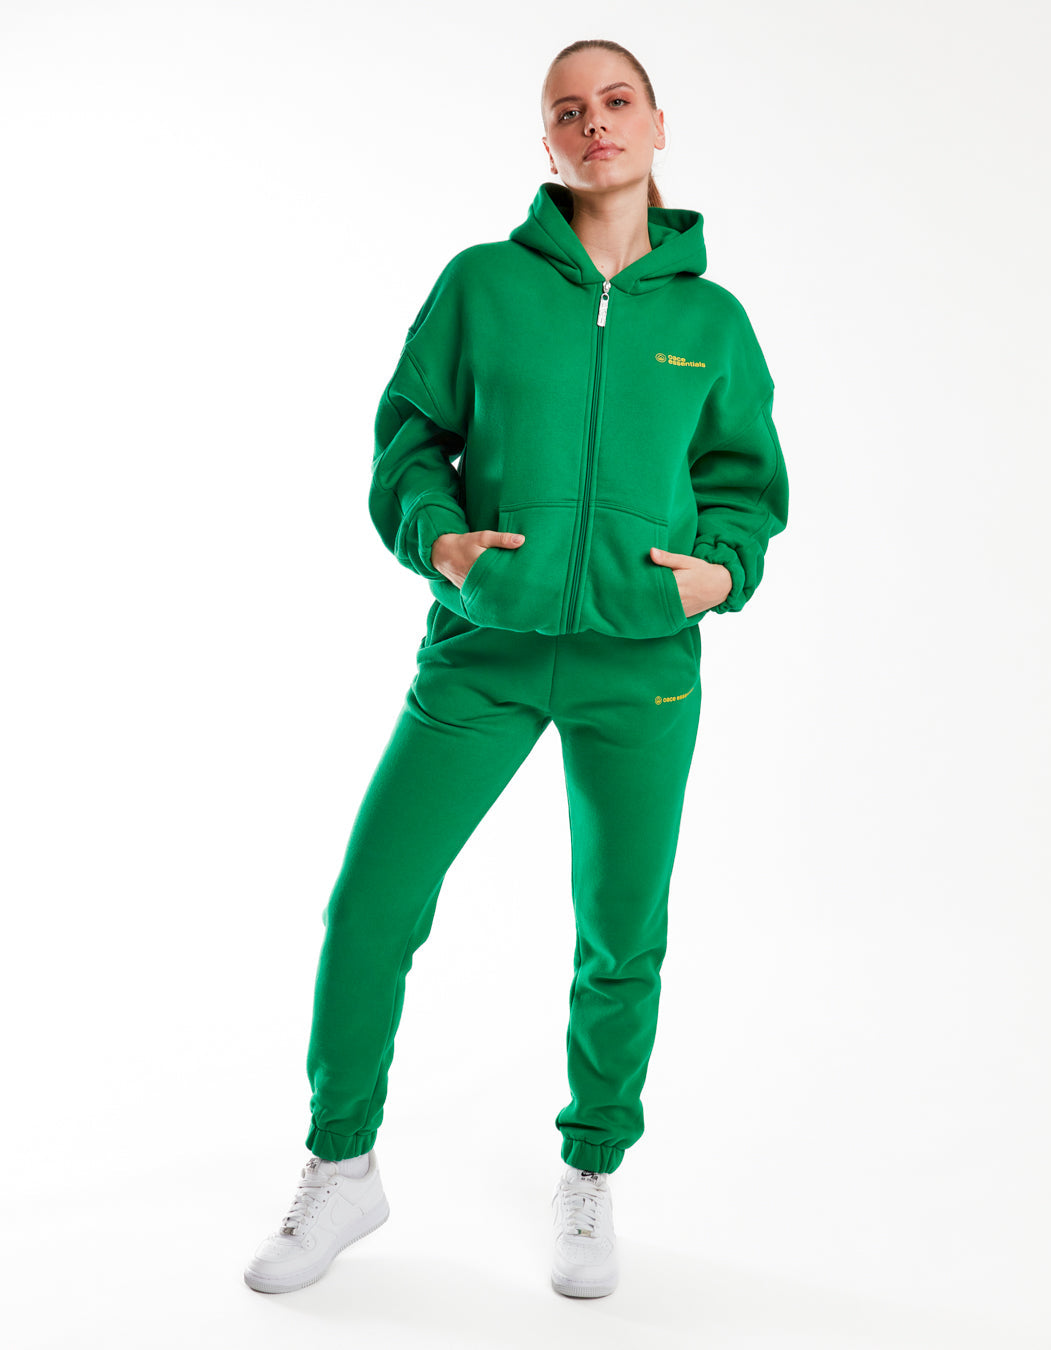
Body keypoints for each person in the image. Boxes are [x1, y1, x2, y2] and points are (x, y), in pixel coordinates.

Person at [244, 37, 789, 1301]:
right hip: (482, 651)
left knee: (620, 933)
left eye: (616, 101)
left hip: (640, 666)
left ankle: (590, 1172)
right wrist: (439, 540)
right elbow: (409, 438)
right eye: (568, 109)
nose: (595, 123)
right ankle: (341, 1166)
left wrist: (718, 571)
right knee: (372, 905)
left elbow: (744, 483)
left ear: (658, 123)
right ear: (546, 141)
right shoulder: (482, 284)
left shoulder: (711, 321)